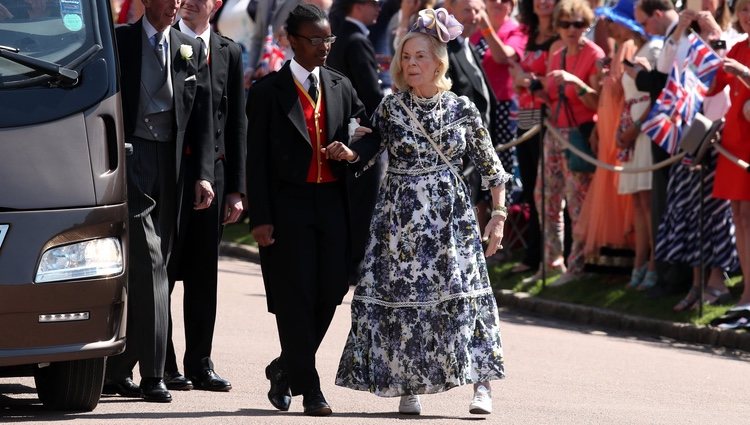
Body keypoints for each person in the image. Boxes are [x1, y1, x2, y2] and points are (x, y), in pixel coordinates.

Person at [335, 8, 508, 416]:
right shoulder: (391, 108)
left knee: (464, 298)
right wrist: (349, 146)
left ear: (439, 63)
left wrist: (498, 217)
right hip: (399, 223)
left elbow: (492, 169)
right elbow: (367, 150)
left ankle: (481, 386)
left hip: (451, 221)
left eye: (420, 57)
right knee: (404, 301)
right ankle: (406, 384)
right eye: (406, 57)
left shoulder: (462, 108)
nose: (411, 65)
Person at [245, 3, 377, 416]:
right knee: (294, 296)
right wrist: (261, 217)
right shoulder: (268, 92)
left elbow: (368, 132)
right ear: (291, 40)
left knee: (331, 290)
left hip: (334, 204)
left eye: (328, 39)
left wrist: (351, 151)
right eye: (316, 39)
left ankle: (285, 367)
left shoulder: (341, 85)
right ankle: (310, 387)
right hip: (289, 205)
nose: (324, 47)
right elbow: (257, 160)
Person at [103, 0, 215, 403]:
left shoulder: (192, 47)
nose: (176, 6)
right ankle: (153, 374)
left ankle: (116, 371)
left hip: (173, 165)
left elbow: (203, 117)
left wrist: (204, 174)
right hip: (131, 160)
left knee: (159, 265)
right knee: (151, 262)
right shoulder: (119, 42)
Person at [165, 0, 247, 392]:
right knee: (161, 272)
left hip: (213, 178)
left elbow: (236, 122)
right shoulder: (166, 41)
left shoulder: (229, 51)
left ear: (216, 4)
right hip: (169, 177)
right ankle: (160, 363)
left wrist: (236, 189)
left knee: (203, 276)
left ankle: (200, 362)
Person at [534, 0, 603, 286]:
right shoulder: (556, 53)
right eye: (565, 24)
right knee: (545, 197)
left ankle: (577, 265)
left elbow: (598, 101)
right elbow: (551, 96)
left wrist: (577, 82)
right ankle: (552, 262)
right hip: (555, 132)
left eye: (578, 24)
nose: (571, 30)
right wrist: (534, 88)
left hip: (579, 135)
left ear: (587, 24)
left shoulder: (595, 55)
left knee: (577, 203)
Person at [574, 0, 640, 274]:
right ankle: (605, 260)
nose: (608, 25)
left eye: (613, 20)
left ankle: (625, 256)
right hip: (609, 126)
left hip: (620, 130)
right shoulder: (619, 49)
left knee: (621, 191)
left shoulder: (631, 48)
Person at [602, 0, 662, 289]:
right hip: (632, 127)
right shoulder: (634, 50)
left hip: (646, 129)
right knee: (638, 201)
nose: (611, 26)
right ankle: (639, 264)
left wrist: (637, 127)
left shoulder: (655, 49)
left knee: (649, 201)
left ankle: (653, 264)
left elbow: (656, 96)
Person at [326, 0, 386, 278]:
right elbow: (371, 93)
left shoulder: (343, 35)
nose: (379, 8)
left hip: (342, 128)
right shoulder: (357, 38)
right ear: (357, 5)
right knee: (364, 200)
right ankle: (356, 263)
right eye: (375, 3)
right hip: (361, 131)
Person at [508, 0, 561, 274]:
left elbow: (547, 82)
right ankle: (532, 255)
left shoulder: (561, 37)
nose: (543, 2)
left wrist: (528, 80)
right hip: (524, 120)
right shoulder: (529, 35)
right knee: (530, 190)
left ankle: (547, 257)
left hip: (547, 121)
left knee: (547, 192)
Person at [444, 0, 501, 231]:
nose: (474, 16)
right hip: (459, 156)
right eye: (467, 10)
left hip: (477, 152)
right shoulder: (445, 49)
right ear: (450, 11)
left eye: (479, 11)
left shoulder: (468, 46)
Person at [709, 0, 750, 316]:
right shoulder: (736, 49)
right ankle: (746, 291)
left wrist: (744, 73)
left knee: (748, 218)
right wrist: (710, 50)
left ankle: (748, 292)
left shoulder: (740, 58)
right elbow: (709, 87)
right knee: (739, 217)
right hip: (733, 143)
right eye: (745, 9)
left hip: (747, 148)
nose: (748, 16)